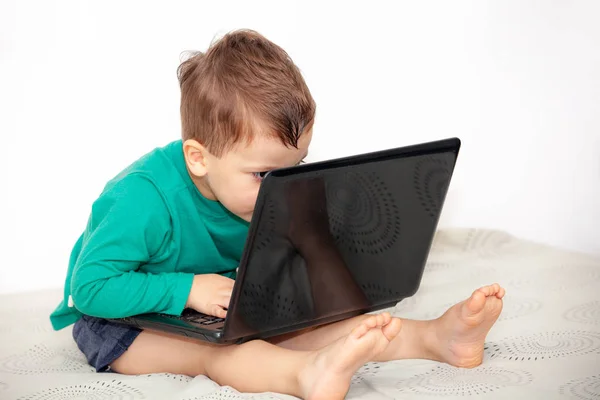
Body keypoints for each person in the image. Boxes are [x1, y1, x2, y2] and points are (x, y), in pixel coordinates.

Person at [50, 29, 505, 400]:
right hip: (117, 319)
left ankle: (434, 338)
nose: (282, 186)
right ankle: (305, 376)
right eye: (264, 174)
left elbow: (337, 299)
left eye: (296, 167)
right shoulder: (141, 200)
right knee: (220, 355)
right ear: (198, 158)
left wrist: (312, 239)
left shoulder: (261, 186)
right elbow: (89, 290)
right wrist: (187, 288)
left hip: (217, 303)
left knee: (299, 325)